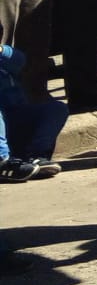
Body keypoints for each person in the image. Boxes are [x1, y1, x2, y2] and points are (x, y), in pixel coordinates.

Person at [0, 43, 66, 182]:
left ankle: (35, 156)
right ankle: (2, 162)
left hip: (14, 123)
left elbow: (19, 60)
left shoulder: (4, 58)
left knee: (56, 109)